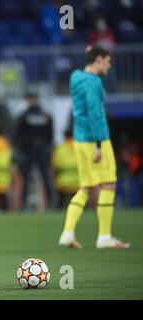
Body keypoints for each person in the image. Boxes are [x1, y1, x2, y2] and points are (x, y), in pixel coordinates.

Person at [59, 46, 130, 249]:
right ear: (98, 60)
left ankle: (67, 233)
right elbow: (95, 113)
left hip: (80, 140)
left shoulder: (76, 77)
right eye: (107, 61)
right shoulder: (94, 82)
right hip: (95, 140)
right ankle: (105, 237)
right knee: (108, 184)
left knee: (87, 187)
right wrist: (99, 145)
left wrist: (90, 53)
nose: (109, 65)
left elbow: (81, 70)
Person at [13, 93, 53, 209]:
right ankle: (50, 202)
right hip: (42, 149)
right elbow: (50, 136)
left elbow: (17, 135)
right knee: (45, 177)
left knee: (26, 177)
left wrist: (22, 147)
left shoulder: (23, 117)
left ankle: (23, 204)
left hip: (28, 150)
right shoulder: (46, 116)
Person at [51, 129, 79, 209]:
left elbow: (54, 166)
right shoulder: (80, 147)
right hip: (79, 183)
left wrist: (54, 179)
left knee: (60, 205)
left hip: (63, 182)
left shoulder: (60, 148)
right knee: (78, 205)